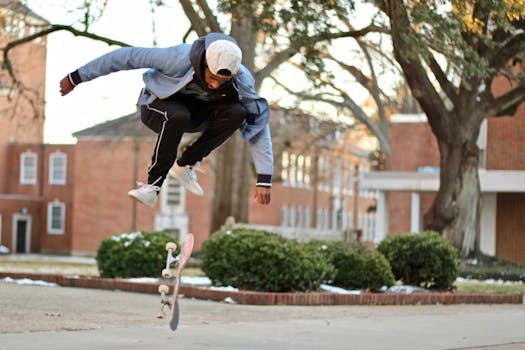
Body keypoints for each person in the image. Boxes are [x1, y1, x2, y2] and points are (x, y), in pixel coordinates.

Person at [60, 32, 273, 208]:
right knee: (178, 115)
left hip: (195, 117)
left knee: (238, 112)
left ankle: (185, 164)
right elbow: (126, 57)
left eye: (223, 81)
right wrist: (77, 76)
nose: (216, 85)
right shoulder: (177, 57)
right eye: (212, 78)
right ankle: (152, 186)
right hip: (156, 108)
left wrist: (264, 177)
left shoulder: (242, 80)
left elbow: (258, 125)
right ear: (204, 62)